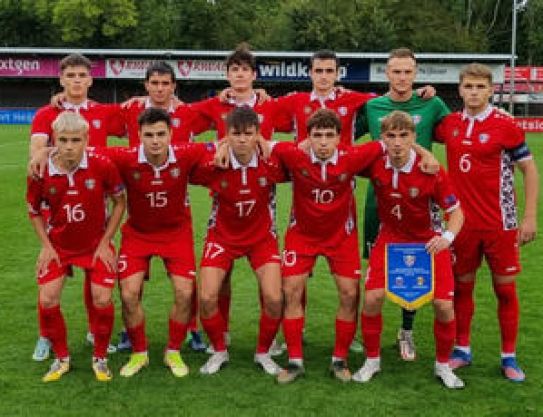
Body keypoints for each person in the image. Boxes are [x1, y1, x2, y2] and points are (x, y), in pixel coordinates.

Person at [268, 109, 438, 384]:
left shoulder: (354, 156)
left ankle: (339, 359)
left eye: (329, 136)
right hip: (302, 236)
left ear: (339, 138)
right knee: (291, 291)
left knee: (349, 294)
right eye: (317, 136)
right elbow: (259, 142)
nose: (323, 142)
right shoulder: (293, 154)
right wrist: (225, 146)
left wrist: (426, 153)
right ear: (307, 138)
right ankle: (295, 360)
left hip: (341, 237)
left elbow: (395, 141)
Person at [434, 63, 539, 382]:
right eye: (468, 87)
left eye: (480, 87)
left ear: (491, 90)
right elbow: (421, 122)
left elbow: (530, 171)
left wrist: (529, 216)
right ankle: (462, 349)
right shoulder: (449, 124)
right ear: (460, 90)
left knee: (504, 290)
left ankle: (509, 356)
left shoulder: (505, 125)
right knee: (461, 288)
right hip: (460, 224)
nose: (474, 92)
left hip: (500, 223)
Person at [98, 108, 214, 377]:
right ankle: (140, 352)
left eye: (161, 134)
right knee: (128, 293)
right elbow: (89, 152)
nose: (155, 140)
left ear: (171, 134)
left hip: (176, 234)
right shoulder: (125, 158)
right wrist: (47, 151)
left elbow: (221, 145)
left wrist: (222, 149)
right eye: (148, 135)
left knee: (185, 293)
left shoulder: (186, 153)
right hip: (138, 234)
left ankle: (172, 350)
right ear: (139, 136)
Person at [353, 110, 464, 389]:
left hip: (428, 241)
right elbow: (345, 158)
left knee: (443, 305)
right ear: (382, 138)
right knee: (372, 298)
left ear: (414, 137)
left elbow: (457, 212)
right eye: (391, 136)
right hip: (390, 239)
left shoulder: (431, 170)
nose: (398, 142)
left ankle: (442, 366)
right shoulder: (375, 164)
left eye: (404, 136)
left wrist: (447, 237)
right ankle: (372, 360)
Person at [355, 47, 450, 361]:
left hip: (420, 202)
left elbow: (458, 131)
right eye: (396, 71)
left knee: (413, 272)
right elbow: (345, 137)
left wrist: (426, 155)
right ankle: (368, 336)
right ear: (387, 73)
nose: (402, 77)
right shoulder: (372, 106)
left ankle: (406, 333)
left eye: (408, 71)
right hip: (379, 202)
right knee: (377, 272)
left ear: (415, 73)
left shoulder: (431, 103)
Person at [30, 53, 124, 361]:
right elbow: (37, 153)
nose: (76, 81)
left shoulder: (102, 111)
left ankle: (93, 330)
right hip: (57, 202)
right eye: (70, 75)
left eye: (81, 75)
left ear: (90, 79)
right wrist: (44, 153)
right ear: (61, 79)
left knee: (94, 276)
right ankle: (46, 336)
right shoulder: (47, 112)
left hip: (93, 200)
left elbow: (140, 117)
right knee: (49, 275)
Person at [193, 107, 284, 376]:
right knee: (207, 296)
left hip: (261, 238)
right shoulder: (213, 164)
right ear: (226, 135)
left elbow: (308, 149)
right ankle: (219, 350)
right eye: (236, 134)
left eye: (248, 134)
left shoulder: (273, 162)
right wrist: (215, 151)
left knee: (274, 297)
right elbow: (181, 160)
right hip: (222, 237)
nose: (242, 139)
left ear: (258, 134)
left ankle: (263, 352)